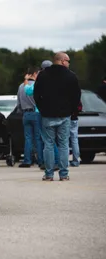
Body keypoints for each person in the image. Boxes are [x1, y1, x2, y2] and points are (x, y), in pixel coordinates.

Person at [34, 52, 81, 181]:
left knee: (48, 144)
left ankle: (49, 174)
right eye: (68, 61)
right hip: (65, 115)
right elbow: (76, 96)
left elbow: (36, 94)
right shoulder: (71, 76)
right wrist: (71, 110)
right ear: (62, 61)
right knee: (63, 145)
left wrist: (42, 109)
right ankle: (64, 174)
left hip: (47, 114)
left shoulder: (43, 75)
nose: (68, 64)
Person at [24, 60, 59, 170]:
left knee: (46, 139)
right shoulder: (56, 78)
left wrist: (27, 81)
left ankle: (48, 163)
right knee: (56, 139)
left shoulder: (41, 78)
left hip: (42, 112)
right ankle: (58, 162)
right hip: (55, 112)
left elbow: (29, 91)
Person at [16, 67, 43, 168]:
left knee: (28, 138)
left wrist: (21, 110)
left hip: (25, 114)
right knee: (38, 138)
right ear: (35, 74)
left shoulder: (21, 86)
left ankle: (27, 160)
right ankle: (40, 161)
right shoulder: (37, 85)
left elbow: (18, 103)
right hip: (36, 113)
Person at [70, 100, 82, 167]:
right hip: (74, 118)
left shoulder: (64, 94)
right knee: (74, 140)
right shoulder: (76, 94)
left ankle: (65, 162)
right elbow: (80, 108)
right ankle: (76, 161)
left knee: (64, 141)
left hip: (65, 118)